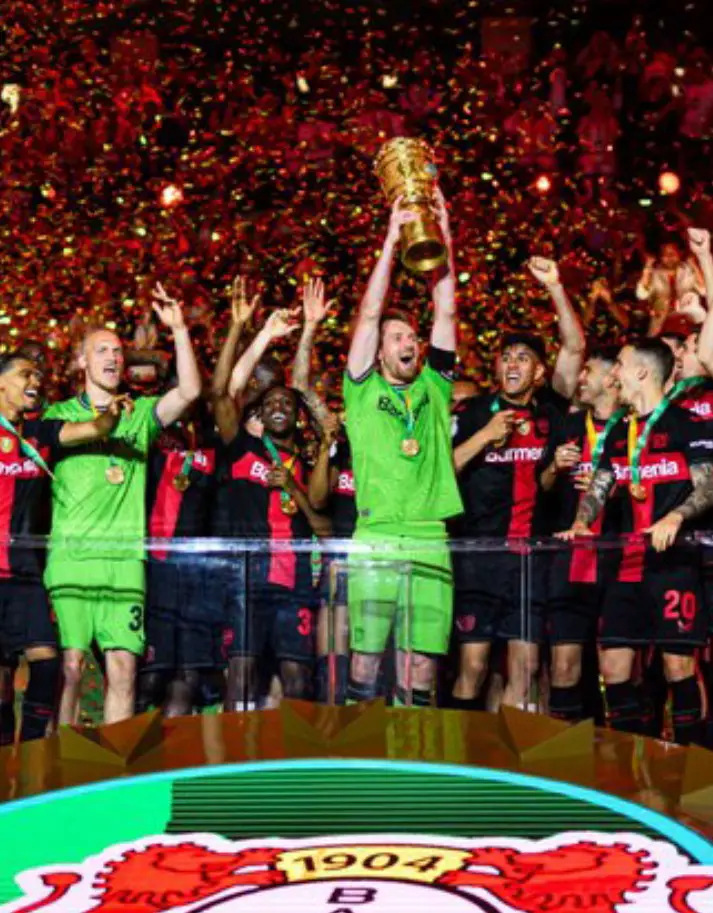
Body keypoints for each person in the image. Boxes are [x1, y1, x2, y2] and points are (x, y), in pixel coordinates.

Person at [43, 283, 202, 726]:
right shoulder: (58, 417)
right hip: (72, 561)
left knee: (123, 670)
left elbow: (190, 392)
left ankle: (114, 761)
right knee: (70, 669)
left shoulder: (140, 414)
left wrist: (179, 329)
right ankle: (60, 759)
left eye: (118, 351)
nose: (114, 358)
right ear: (81, 362)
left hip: (125, 564)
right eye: (102, 351)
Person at [559, 339, 713, 745]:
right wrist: (580, 521)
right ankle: (634, 763)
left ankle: (694, 765)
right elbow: (600, 486)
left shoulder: (687, 424)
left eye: (620, 366)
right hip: (626, 567)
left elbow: (709, 485)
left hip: (674, 565)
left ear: (642, 372)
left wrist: (677, 516)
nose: (614, 375)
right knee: (613, 669)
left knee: (678, 669)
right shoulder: (619, 431)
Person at [343, 188, 462, 707]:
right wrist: (392, 241)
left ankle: (410, 747)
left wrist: (442, 233)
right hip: (376, 535)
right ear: (379, 351)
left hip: (429, 534)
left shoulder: (434, 386)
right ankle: (360, 748)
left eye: (412, 336)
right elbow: (369, 316)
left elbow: (446, 309)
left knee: (421, 663)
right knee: (365, 660)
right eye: (398, 338)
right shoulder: (362, 389)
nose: (409, 342)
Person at [0, 353, 131, 741]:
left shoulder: (40, 432)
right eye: (25, 374)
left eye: (38, 375)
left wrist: (110, 416)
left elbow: (92, 428)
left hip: (25, 573)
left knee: (46, 663)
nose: (35, 381)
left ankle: (31, 749)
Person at [211, 308, 328, 710]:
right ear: (260, 414)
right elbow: (220, 394)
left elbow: (324, 528)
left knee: (297, 679)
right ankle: (232, 750)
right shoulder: (243, 450)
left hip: (294, 584)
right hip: (247, 581)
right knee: (241, 675)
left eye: (287, 402)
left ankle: (293, 749)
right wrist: (238, 327)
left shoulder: (309, 467)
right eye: (270, 402)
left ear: (297, 416)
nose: (279, 406)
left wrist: (293, 487)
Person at [450, 330, 563, 711]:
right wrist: (485, 435)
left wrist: (555, 468)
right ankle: (462, 746)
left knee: (526, 667)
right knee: (474, 665)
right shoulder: (472, 413)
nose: (512, 364)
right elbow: (443, 470)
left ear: (539, 373)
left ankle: (508, 748)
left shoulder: (551, 419)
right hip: (479, 558)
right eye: (507, 356)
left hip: (530, 561)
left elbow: (548, 484)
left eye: (523, 358)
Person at [539, 347, 623, 722]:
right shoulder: (569, 427)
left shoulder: (634, 427)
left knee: (619, 668)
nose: (580, 378)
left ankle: (626, 752)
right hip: (569, 560)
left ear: (611, 378)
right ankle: (567, 753)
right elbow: (542, 487)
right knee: (563, 666)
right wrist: (553, 469)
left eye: (588, 371)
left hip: (618, 561)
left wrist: (613, 489)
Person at [139, 399, 218, 717]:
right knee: (149, 676)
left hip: (197, 576)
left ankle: (177, 746)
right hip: (154, 571)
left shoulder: (213, 449)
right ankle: (131, 741)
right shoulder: (147, 442)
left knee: (187, 674)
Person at [636, 238, 705, 338]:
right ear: (660, 257)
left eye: (673, 253)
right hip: (661, 326)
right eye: (665, 254)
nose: (669, 257)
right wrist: (648, 266)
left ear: (680, 253)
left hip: (689, 323)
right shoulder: (654, 273)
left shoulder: (688, 271)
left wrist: (694, 265)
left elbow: (704, 291)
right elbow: (641, 294)